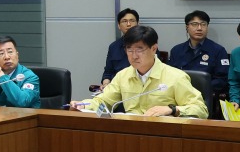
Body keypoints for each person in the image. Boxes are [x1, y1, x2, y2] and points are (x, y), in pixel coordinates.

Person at [70, 26, 207, 118]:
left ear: (154, 49)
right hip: (131, 135)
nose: (134, 55)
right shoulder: (123, 76)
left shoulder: (176, 77)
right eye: (129, 49)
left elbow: (201, 109)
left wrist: (172, 109)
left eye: (139, 49)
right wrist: (82, 105)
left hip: (164, 138)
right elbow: (103, 101)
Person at [167, 11, 230, 97]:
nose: (199, 28)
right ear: (187, 27)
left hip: (206, 95)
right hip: (180, 94)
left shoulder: (218, 50)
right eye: (194, 24)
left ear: (207, 27)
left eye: (203, 24)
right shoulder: (176, 50)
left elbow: (222, 80)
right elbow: (169, 75)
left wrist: (198, 89)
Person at [101, 8, 139, 88]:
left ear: (138, 24)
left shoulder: (147, 45)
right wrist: (105, 85)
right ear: (119, 26)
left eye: (132, 21)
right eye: (124, 21)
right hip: (116, 88)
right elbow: (108, 73)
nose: (128, 24)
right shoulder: (113, 47)